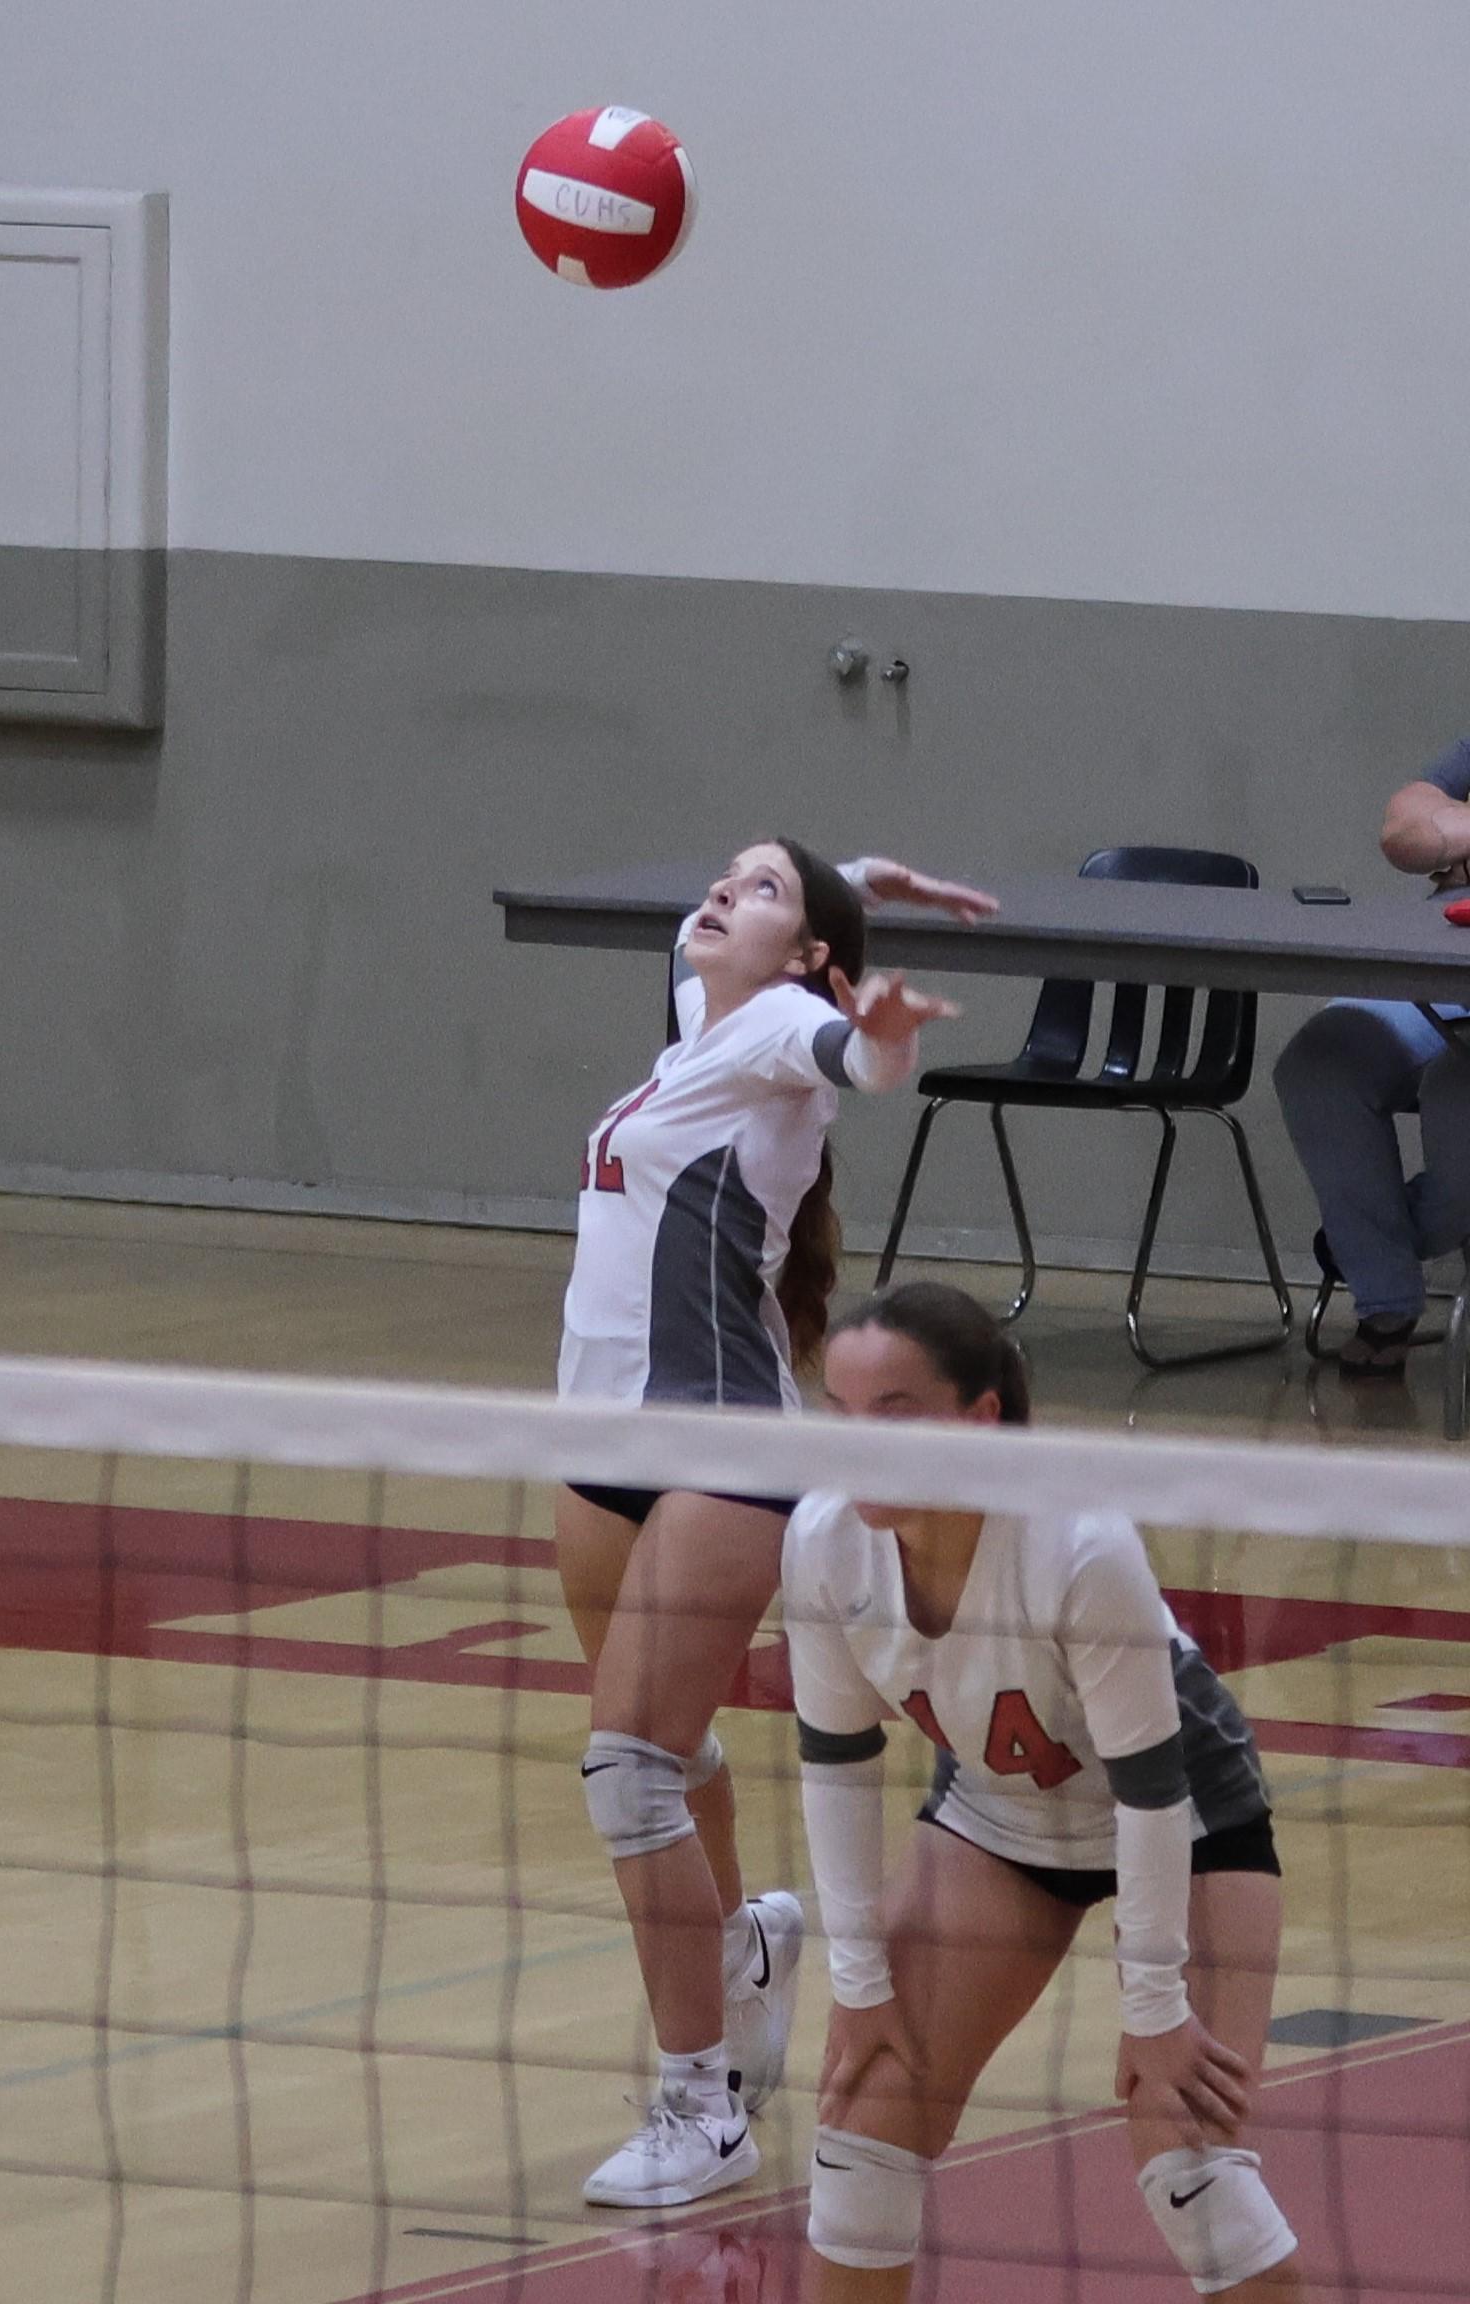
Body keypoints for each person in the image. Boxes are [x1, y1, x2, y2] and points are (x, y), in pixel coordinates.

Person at [556, 842, 997, 2210]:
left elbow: (846, 1056)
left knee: (625, 1772)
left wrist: (877, 1036)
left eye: (755, 891)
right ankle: (743, 1946)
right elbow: (768, 959)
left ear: (808, 956)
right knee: (667, 1748)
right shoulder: (702, 1021)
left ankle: (704, 2109)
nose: (717, 894)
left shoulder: (781, 1036)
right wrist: (842, 866)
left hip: (720, 1448)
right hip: (592, 1440)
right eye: (727, 875)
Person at [784, 1281, 1307, 2301]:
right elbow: (837, 1765)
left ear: (981, 1419)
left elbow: (1153, 1793)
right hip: (1001, 1818)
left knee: (1186, 2154)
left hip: (1184, 1819)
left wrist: (1152, 2003)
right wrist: (859, 1980)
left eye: (894, 1414)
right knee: (864, 2130)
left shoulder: (1077, 1543)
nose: (857, 1448)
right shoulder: (822, 1541)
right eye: (838, 1416)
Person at [1274, 736, 1470, 1375]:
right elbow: (1405, 832)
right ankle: (1386, 1299)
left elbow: (1440, 827)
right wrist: (1446, 837)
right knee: (1321, 1063)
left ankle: (1372, 1256)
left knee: (1455, 1087)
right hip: (1442, 953)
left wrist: (1457, 831)